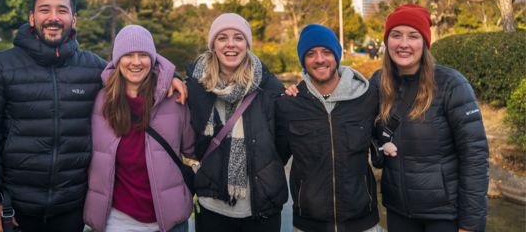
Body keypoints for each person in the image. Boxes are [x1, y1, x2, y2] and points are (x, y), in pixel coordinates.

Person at [0, 0, 186, 232]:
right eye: (45, 10)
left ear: (74, 19)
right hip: (14, 209)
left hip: (72, 208)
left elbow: (132, 69)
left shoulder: (92, 69)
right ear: (32, 17)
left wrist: (171, 77)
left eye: (62, 10)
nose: (53, 17)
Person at [372, 4, 489, 232]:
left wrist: (470, 225)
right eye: (396, 35)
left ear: (425, 43)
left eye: (413, 36)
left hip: (443, 214)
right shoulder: (378, 83)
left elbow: (475, 157)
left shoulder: (451, 84)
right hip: (398, 210)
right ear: (387, 41)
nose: (403, 43)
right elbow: (353, 120)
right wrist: (302, 93)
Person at [83, 25, 194, 232]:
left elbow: (194, 149)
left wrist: (178, 79)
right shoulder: (101, 101)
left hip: (169, 221)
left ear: (152, 59)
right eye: (128, 55)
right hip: (117, 221)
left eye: (143, 54)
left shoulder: (173, 99)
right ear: (117, 60)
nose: (136, 62)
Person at [186, 13, 288, 232]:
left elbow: (282, 144)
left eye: (238, 38)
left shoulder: (269, 87)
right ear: (213, 45)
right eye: (222, 38)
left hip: (261, 205)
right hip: (212, 206)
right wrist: (173, 79)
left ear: (247, 44)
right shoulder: (195, 85)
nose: (230, 44)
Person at [276, 24, 381, 232]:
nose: (319, 59)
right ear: (303, 60)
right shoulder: (289, 105)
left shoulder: (367, 97)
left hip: (363, 222)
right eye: (310, 54)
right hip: (308, 224)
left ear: (337, 55)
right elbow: (274, 159)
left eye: (326, 52)